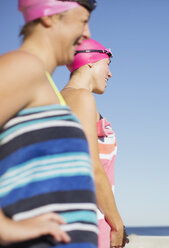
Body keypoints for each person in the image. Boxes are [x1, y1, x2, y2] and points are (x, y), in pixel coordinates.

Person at [0, 0, 98, 247]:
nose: (87, 33)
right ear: (49, 17)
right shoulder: (24, 66)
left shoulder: (45, 85)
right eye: (83, 21)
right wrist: (5, 229)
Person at [61, 39, 128, 248]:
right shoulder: (81, 97)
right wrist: (117, 224)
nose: (110, 74)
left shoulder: (59, 98)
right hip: (86, 222)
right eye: (107, 65)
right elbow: (91, 166)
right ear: (91, 62)